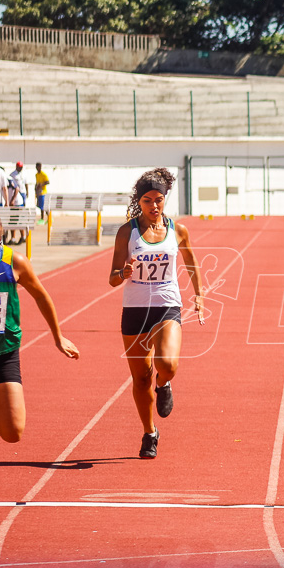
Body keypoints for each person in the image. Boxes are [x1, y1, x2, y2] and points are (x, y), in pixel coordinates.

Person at [108, 168, 205, 459]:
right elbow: (112, 277)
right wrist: (122, 273)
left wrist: (199, 294)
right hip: (135, 310)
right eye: (148, 200)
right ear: (140, 201)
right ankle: (150, 433)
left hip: (167, 305)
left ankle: (164, 384)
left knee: (168, 364)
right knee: (139, 380)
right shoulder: (128, 232)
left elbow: (191, 262)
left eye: (159, 200)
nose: (154, 206)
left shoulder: (178, 230)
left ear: (165, 200)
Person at [0, 212, 80, 443]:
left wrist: (58, 336)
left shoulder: (14, 262)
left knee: (13, 432)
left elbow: (42, 297)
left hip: (4, 352)